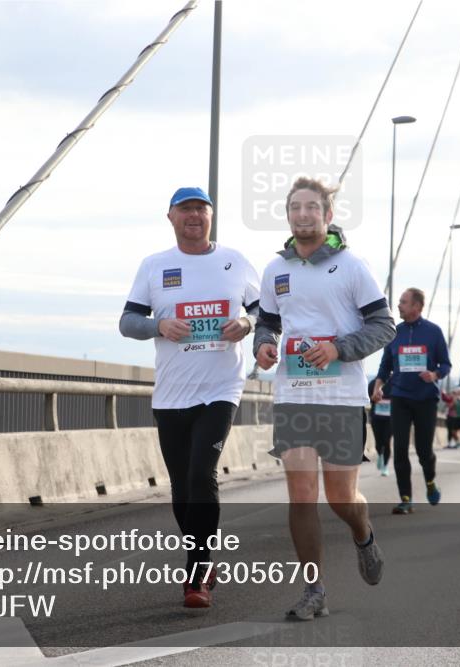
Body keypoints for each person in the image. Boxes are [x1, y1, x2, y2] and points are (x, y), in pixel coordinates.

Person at [254, 177, 396, 620]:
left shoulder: (353, 266)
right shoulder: (275, 271)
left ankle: (363, 533)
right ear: (288, 215)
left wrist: (337, 349)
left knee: (340, 498)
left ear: (327, 216)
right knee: (301, 495)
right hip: (294, 394)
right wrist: (263, 344)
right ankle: (314, 590)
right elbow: (267, 323)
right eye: (295, 207)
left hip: (341, 395)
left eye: (311, 207)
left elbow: (384, 326)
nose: (302, 214)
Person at [120, 186, 260, 608]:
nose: (193, 216)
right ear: (171, 218)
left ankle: (196, 574)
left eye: (201, 209)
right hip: (170, 394)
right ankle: (204, 552)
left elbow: (264, 311)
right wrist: (158, 327)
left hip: (221, 388)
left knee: (202, 475)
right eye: (185, 210)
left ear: (211, 217)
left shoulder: (235, 262)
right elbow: (128, 321)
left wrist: (247, 324)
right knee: (181, 490)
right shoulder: (155, 266)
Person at [372, 288, 451, 514]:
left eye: (403, 302)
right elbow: (385, 366)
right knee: (399, 450)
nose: (399, 305)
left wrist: (434, 375)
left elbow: (445, 364)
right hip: (400, 397)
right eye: (399, 302)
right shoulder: (394, 333)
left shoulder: (433, 332)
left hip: (426, 399)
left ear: (417, 306)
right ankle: (405, 498)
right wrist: (378, 387)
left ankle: (429, 482)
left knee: (424, 450)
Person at [368, 376, 392, 476]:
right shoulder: (373, 384)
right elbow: (368, 398)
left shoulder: (395, 383)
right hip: (376, 417)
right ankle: (380, 455)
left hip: (390, 418)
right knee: (378, 442)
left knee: (386, 441)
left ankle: (385, 466)